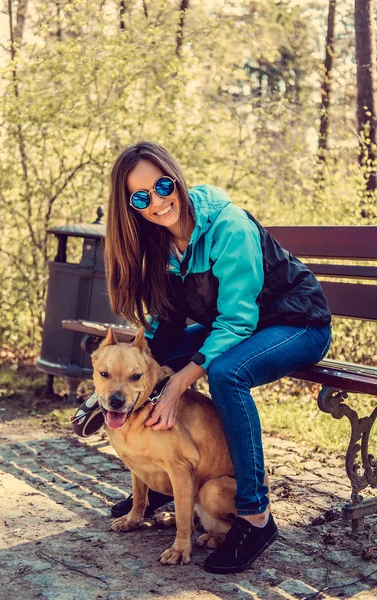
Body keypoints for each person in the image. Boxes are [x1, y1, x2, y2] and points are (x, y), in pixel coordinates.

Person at [86, 141, 331, 574]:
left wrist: (178, 383)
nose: (158, 202)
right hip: (247, 326)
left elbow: (237, 321)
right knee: (163, 356)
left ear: (175, 177)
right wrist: (114, 386)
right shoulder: (160, 242)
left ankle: (255, 516)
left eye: (163, 186)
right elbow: (165, 327)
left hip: (298, 323)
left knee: (226, 372)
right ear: (132, 207)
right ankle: (162, 475)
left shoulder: (228, 226)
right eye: (142, 197)